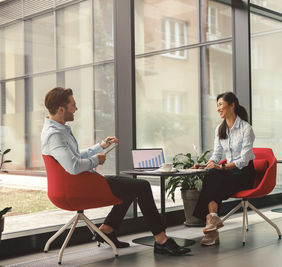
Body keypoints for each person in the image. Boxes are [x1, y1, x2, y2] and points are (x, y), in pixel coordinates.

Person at [41, 87, 190, 256]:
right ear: (61, 109)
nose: (76, 108)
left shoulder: (60, 130)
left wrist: (100, 146)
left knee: (130, 187)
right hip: (75, 190)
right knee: (141, 186)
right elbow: (74, 166)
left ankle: (107, 229)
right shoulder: (55, 135)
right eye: (73, 105)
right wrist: (97, 160)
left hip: (81, 184)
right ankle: (161, 240)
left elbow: (74, 156)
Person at [191, 92, 256, 246]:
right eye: (217, 105)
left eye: (220, 104)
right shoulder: (219, 129)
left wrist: (221, 167)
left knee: (214, 179)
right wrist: (206, 164)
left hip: (244, 173)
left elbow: (244, 160)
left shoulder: (246, 128)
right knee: (212, 173)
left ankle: (210, 222)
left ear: (232, 105)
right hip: (229, 171)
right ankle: (212, 220)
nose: (218, 108)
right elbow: (217, 154)